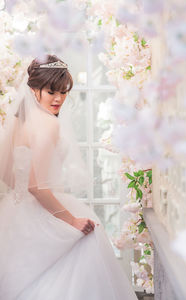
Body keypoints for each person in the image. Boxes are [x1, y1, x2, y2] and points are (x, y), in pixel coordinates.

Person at [0, 54, 138, 300]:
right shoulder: (47, 124)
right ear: (33, 90)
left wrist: (23, 196)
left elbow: (8, 176)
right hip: (45, 209)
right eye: (52, 91)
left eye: (63, 92)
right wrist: (71, 220)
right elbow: (37, 186)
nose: (58, 99)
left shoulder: (19, 121)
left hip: (15, 213)